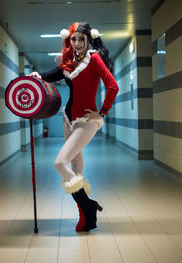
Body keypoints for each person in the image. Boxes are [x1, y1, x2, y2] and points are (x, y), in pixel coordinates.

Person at [30, 22, 119, 232]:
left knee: (60, 163)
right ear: (69, 40)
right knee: (76, 165)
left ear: (89, 39)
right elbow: (51, 74)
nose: (77, 43)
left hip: (87, 121)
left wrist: (103, 111)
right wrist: (37, 76)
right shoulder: (69, 62)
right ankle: (86, 218)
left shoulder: (95, 59)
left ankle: (87, 205)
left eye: (81, 39)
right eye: (74, 39)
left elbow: (113, 86)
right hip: (67, 118)